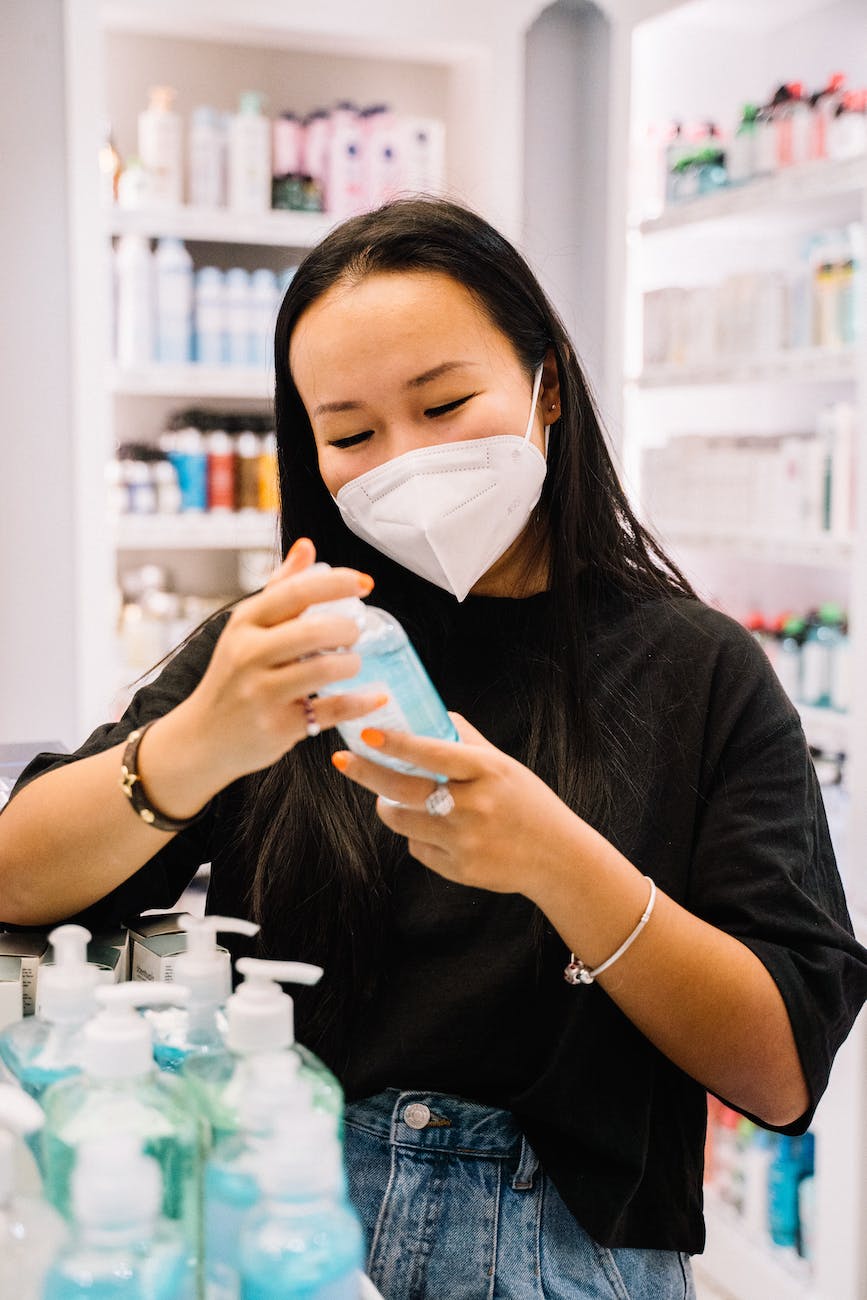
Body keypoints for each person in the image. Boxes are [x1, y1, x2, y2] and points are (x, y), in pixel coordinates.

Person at [2, 197, 866, 1300]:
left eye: (446, 403)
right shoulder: (289, 644)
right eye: (353, 434)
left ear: (546, 385)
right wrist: (193, 746)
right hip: (294, 1225)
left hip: (572, 1251)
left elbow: (781, 1072)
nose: (404, 461)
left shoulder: (699, 671)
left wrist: (561, 861)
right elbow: (16, 877)